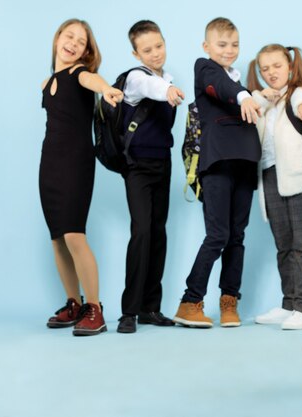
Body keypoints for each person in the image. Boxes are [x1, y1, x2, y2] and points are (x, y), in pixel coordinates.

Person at [173, 17, 261, 328]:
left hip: (246, 162)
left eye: (234, 44)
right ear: (207, 46)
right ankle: (190, 301)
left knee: (237, 236)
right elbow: (222, 87)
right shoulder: (206, 69)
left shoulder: (242, 81)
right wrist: (244, 96)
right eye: (222, 44)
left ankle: (229, 301)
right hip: (218, 162)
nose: (229, 50)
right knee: (218, 235)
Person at [40, 18, 123, 336]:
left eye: (81, 41)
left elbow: (95, 82)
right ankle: (73, 304)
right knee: (57, 239)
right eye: (69, 35)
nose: (73, 43)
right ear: (57, 36)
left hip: (76, 162)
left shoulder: (80, 74)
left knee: (74, 234)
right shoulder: (47, 83)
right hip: (49, 164)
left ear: (87, 51)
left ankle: (95, 309)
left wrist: (107, 90)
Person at [115, 20, 185, 334]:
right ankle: (128, 311)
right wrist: (167, 90)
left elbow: (162, 85)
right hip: (137, 166)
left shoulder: (167, 77)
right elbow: (151, 88)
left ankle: (150, 308)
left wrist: (169, 85)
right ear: (135, 52)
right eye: (147, 49)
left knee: (158, 232)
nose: (155, 53)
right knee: (141, 231)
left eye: (159, 46)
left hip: (162, 162)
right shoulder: (136, 78)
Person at [246, 45, 302, 330]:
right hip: (270, 177)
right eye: (265, 69)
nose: (271, 73)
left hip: (296, 177)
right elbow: (252, 107)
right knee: (283, 245)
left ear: (289, 66)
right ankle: (288, 303)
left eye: (276, 66)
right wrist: (261, 97)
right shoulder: (265, 100)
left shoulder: (298, 92)